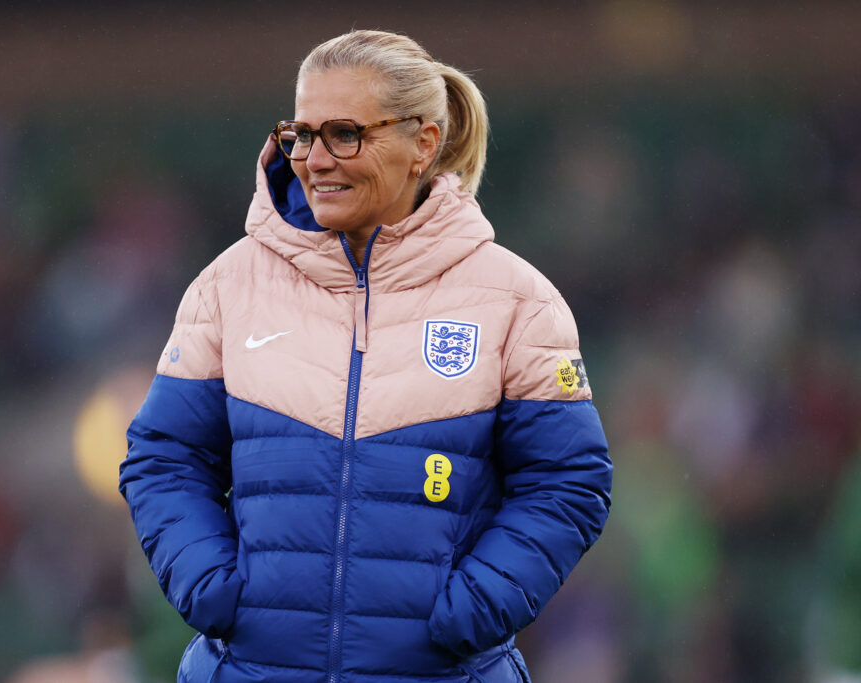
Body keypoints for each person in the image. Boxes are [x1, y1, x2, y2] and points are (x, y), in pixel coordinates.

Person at [120, 29, 612, 683]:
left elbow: (568, 479)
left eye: (345, 134)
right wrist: (213, 588)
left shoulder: (516, 299)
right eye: (302, 134)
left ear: (424, 145)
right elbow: (163, 457)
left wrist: (466, 616)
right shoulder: (227, 287)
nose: (315, 159)